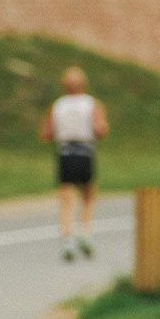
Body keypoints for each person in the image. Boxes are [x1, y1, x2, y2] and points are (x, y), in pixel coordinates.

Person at [45, 67, 108, 261]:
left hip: (64, 152)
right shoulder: (91, 104)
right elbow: (101, 129)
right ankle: (86, 232)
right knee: (88, 195)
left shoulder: (58, 105)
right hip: (84, 151)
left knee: (66, 198)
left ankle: (67, 238)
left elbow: (47, 133)